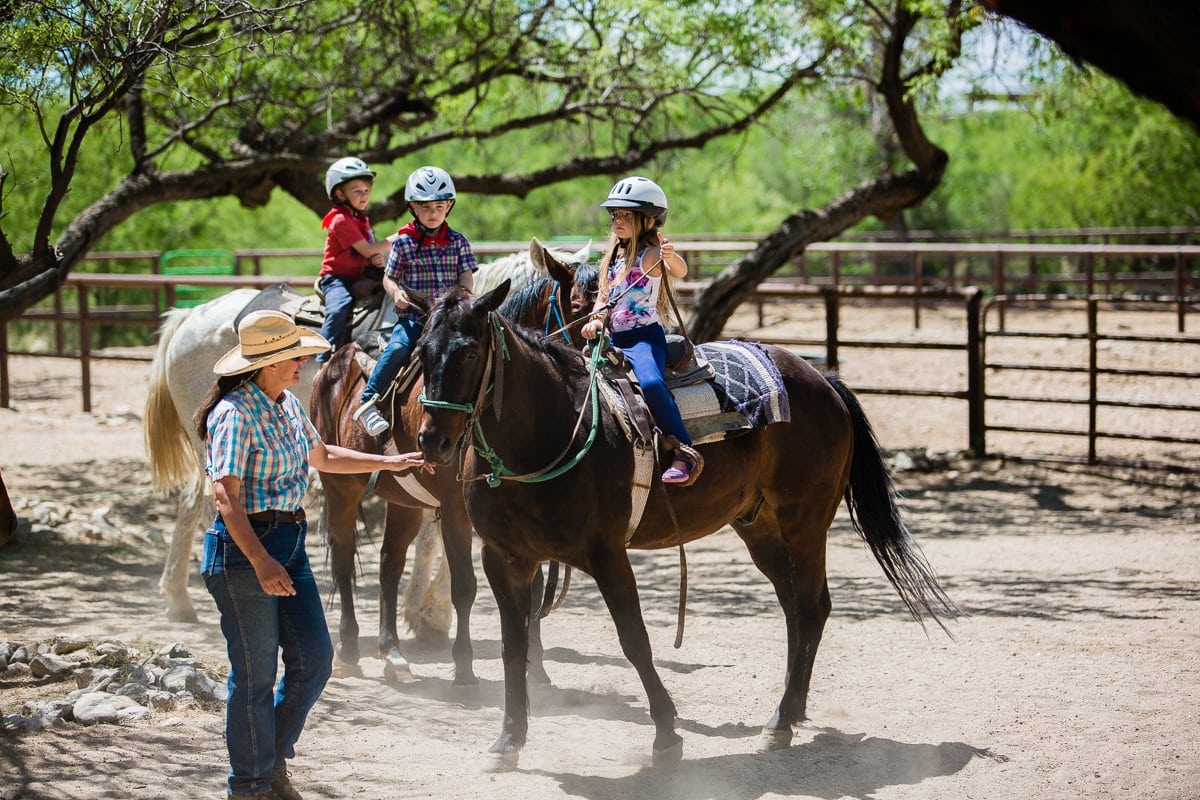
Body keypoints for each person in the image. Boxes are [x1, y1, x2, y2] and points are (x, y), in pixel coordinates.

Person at [195, 310, 432, 800]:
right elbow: (226, 499)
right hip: (245, 553)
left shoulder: (284, 405)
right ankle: (250, 785)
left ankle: (269, 763)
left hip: (289, 544)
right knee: (256, 676)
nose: (302, 362)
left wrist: (388, 461)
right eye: (293, 356)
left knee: (316, 660)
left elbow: (322, 455)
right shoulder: (235, 414)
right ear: (267, 363)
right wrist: (262, 561)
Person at [580, 176, 701, 485]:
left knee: (650, 383)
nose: (617, 221)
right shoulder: (611, 259)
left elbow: (680, 271)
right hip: (612, 337)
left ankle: (683, 450)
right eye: (615, 216)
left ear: (649, 220)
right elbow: (603, 299)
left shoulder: (649, 256)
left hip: (643, 338)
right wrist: (594, 321)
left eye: (626, 216)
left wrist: (670, 257)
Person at [353, 165, 476, 435]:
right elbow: (389, 277)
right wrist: (396, 293)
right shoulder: (403, 243)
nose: (433, 214)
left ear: (449, 207)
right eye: (425, 208)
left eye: (439, 207)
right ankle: (368, 401)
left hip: (447, 320)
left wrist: (465, 297)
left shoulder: (458, 242)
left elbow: (465, 275)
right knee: (398, 347)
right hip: (414, 317)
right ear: (412, 207)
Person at [316, 156, 395, 363]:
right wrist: (397, 238)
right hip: (337, 279)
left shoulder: (361, 218)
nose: (363, 196)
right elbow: (367, 249)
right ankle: (323, 350)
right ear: (340, 193)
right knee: (339, 306)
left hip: (358, 275)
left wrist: (375, 260)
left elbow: (367, 251)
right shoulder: (340, 220)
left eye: (366, 190)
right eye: (356, 191)